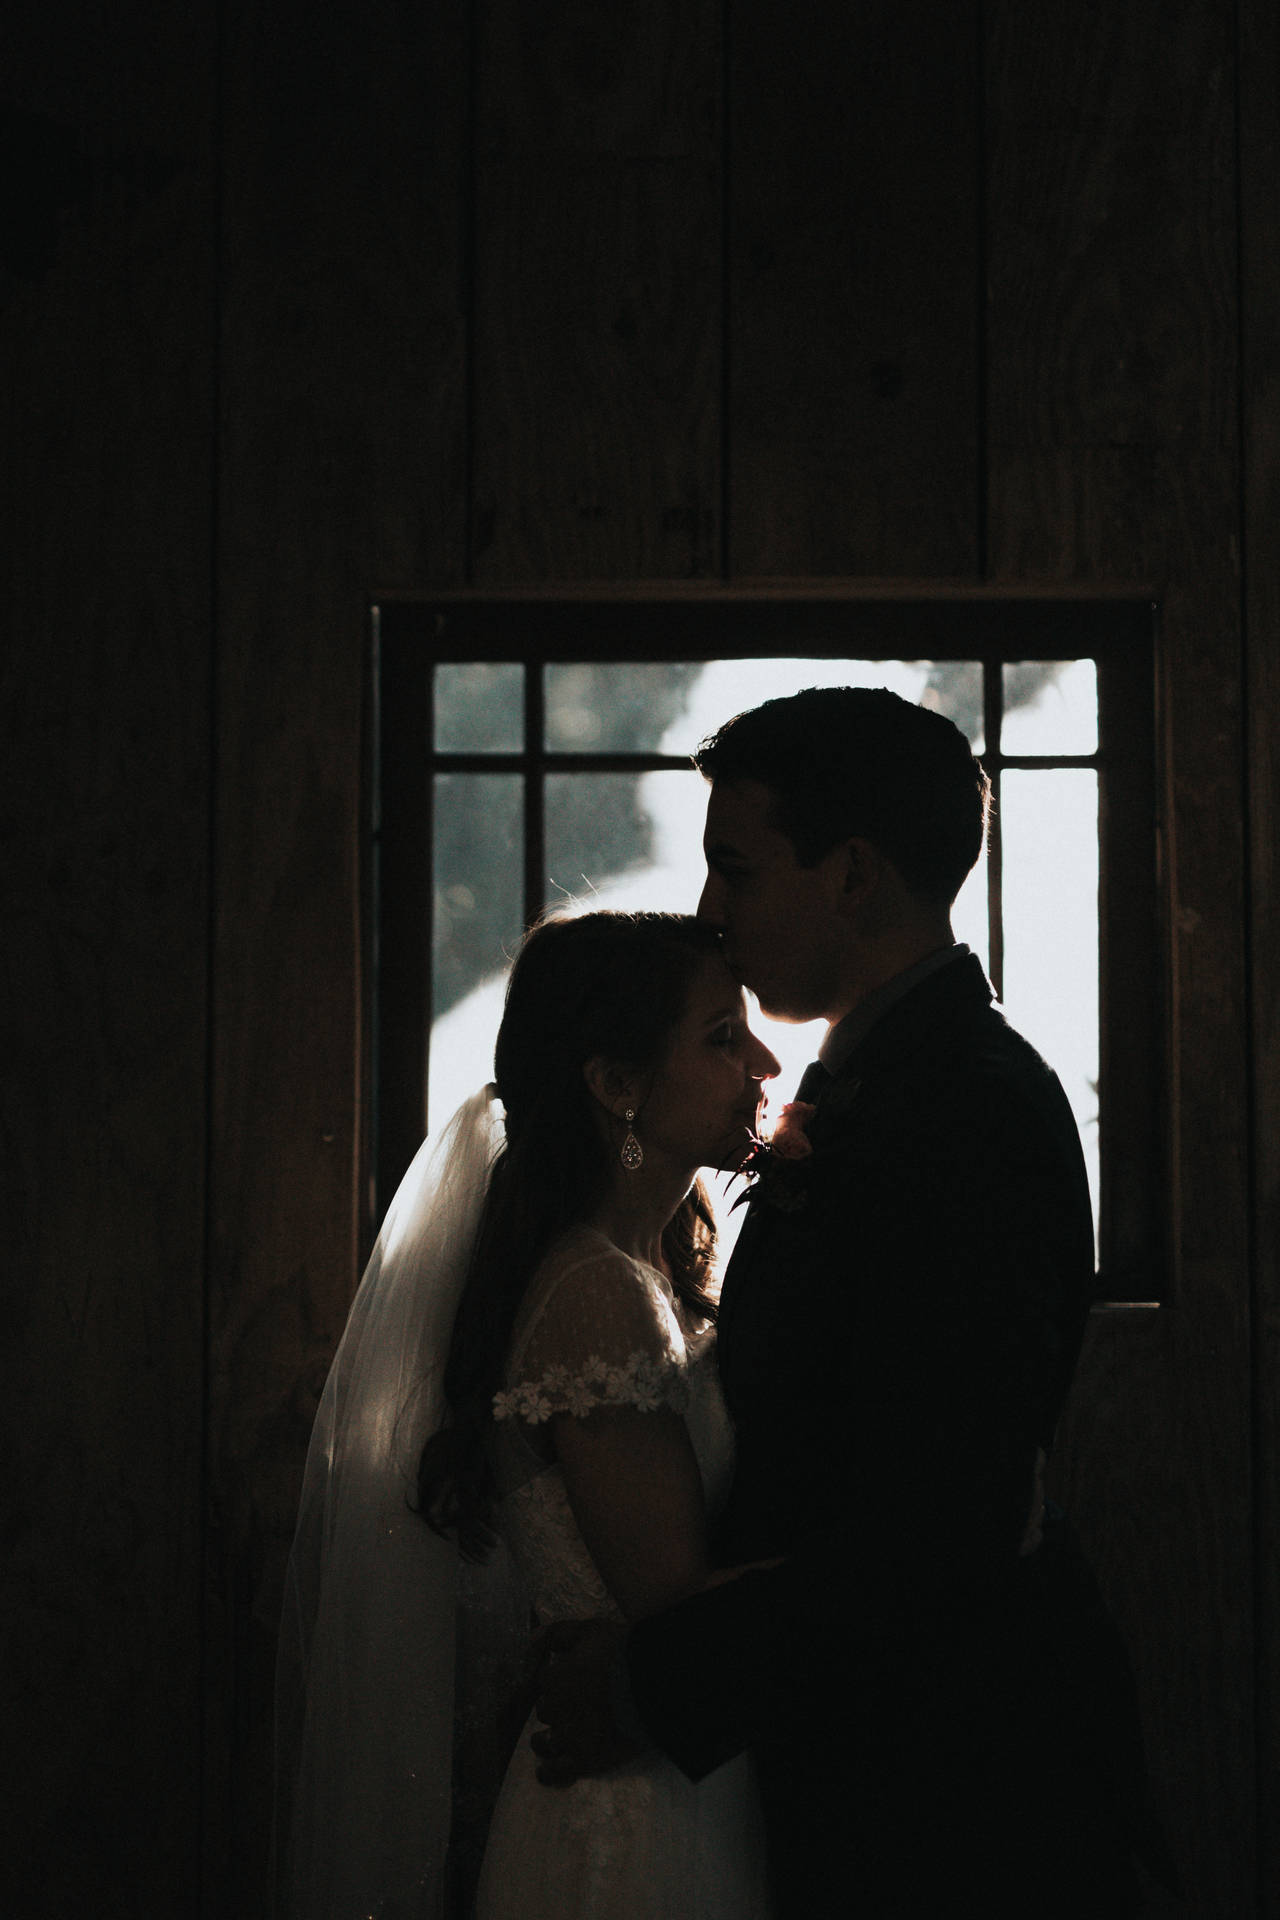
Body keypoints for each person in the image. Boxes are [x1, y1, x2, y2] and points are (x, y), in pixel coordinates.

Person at [533, 687, 1151, 1917]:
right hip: (868, 1770)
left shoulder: (965, 1106)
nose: (711, 910)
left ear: (853, 874)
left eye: (737, 869)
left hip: (946, 1797)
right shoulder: (885, 1086)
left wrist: (653, 1686)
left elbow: (938, 1527)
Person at [275, 910, 782, 1919]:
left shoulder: (643, 1270)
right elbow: (672, 1601)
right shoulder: (597, 1293)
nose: (763, 1062)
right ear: (615, 1084)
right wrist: (900, 1559)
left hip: (676, 1763)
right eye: (722, 1037)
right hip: (630, 1806)